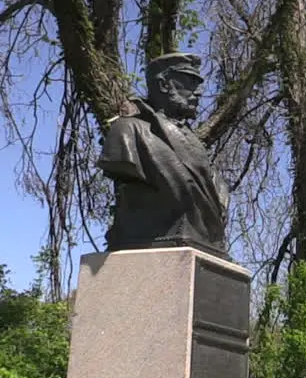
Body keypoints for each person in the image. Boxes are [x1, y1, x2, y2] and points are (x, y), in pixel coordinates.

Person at [98, 52, 230, 258]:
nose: (199, 92)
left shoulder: (193, 141)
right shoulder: (128, 132)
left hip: (197, 238)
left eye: (199, 84)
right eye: (189, 82)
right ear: (163, 85)